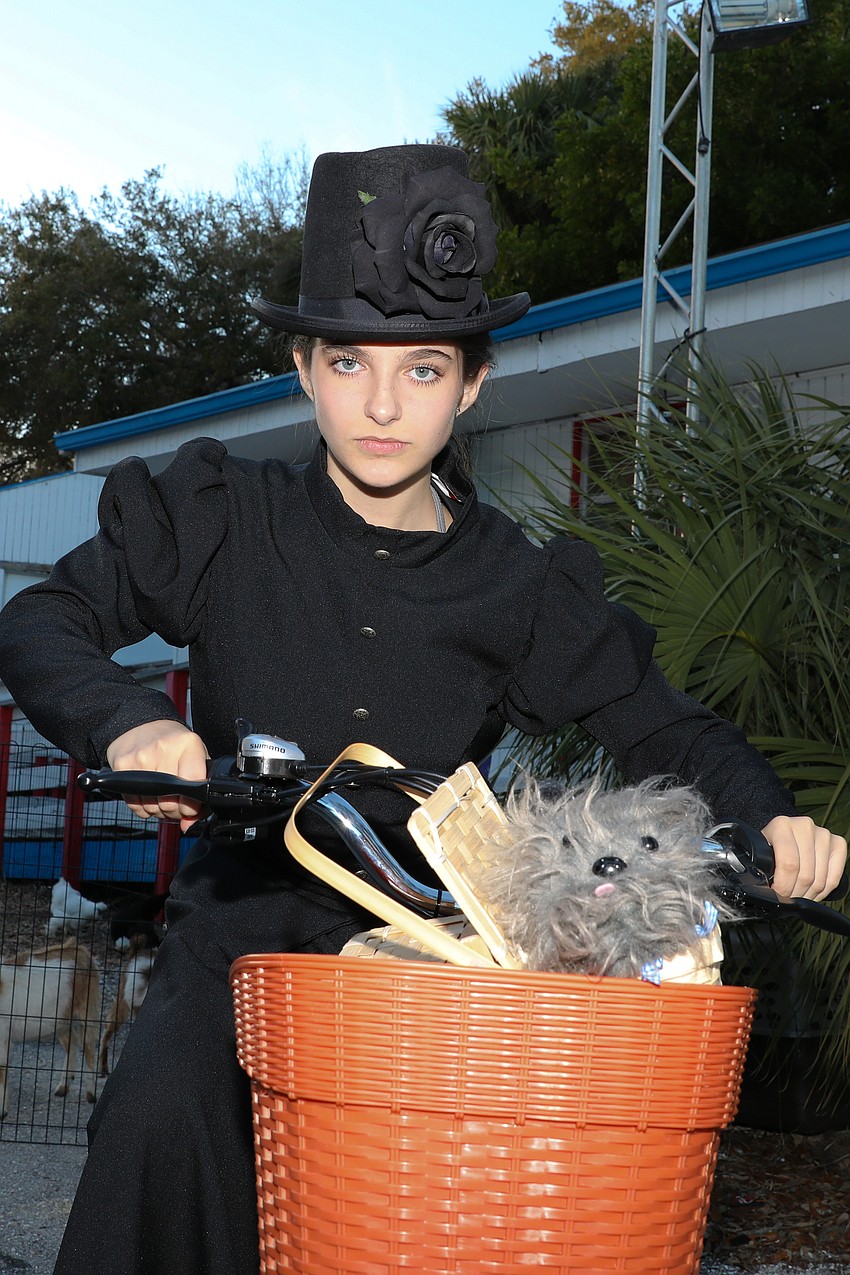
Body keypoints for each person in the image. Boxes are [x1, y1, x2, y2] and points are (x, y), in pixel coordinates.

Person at [0, 144, 844, 1275]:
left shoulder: (518, 582)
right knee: (161, 1119)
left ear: (474, 383)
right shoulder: (220, 517)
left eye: (426, 368)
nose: (384, 404)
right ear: (304, 368)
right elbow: (43, 618)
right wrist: (126, 720)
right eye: (349, 361)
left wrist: (771, 816)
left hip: (432, 955)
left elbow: (663, 723)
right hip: (237, 940)